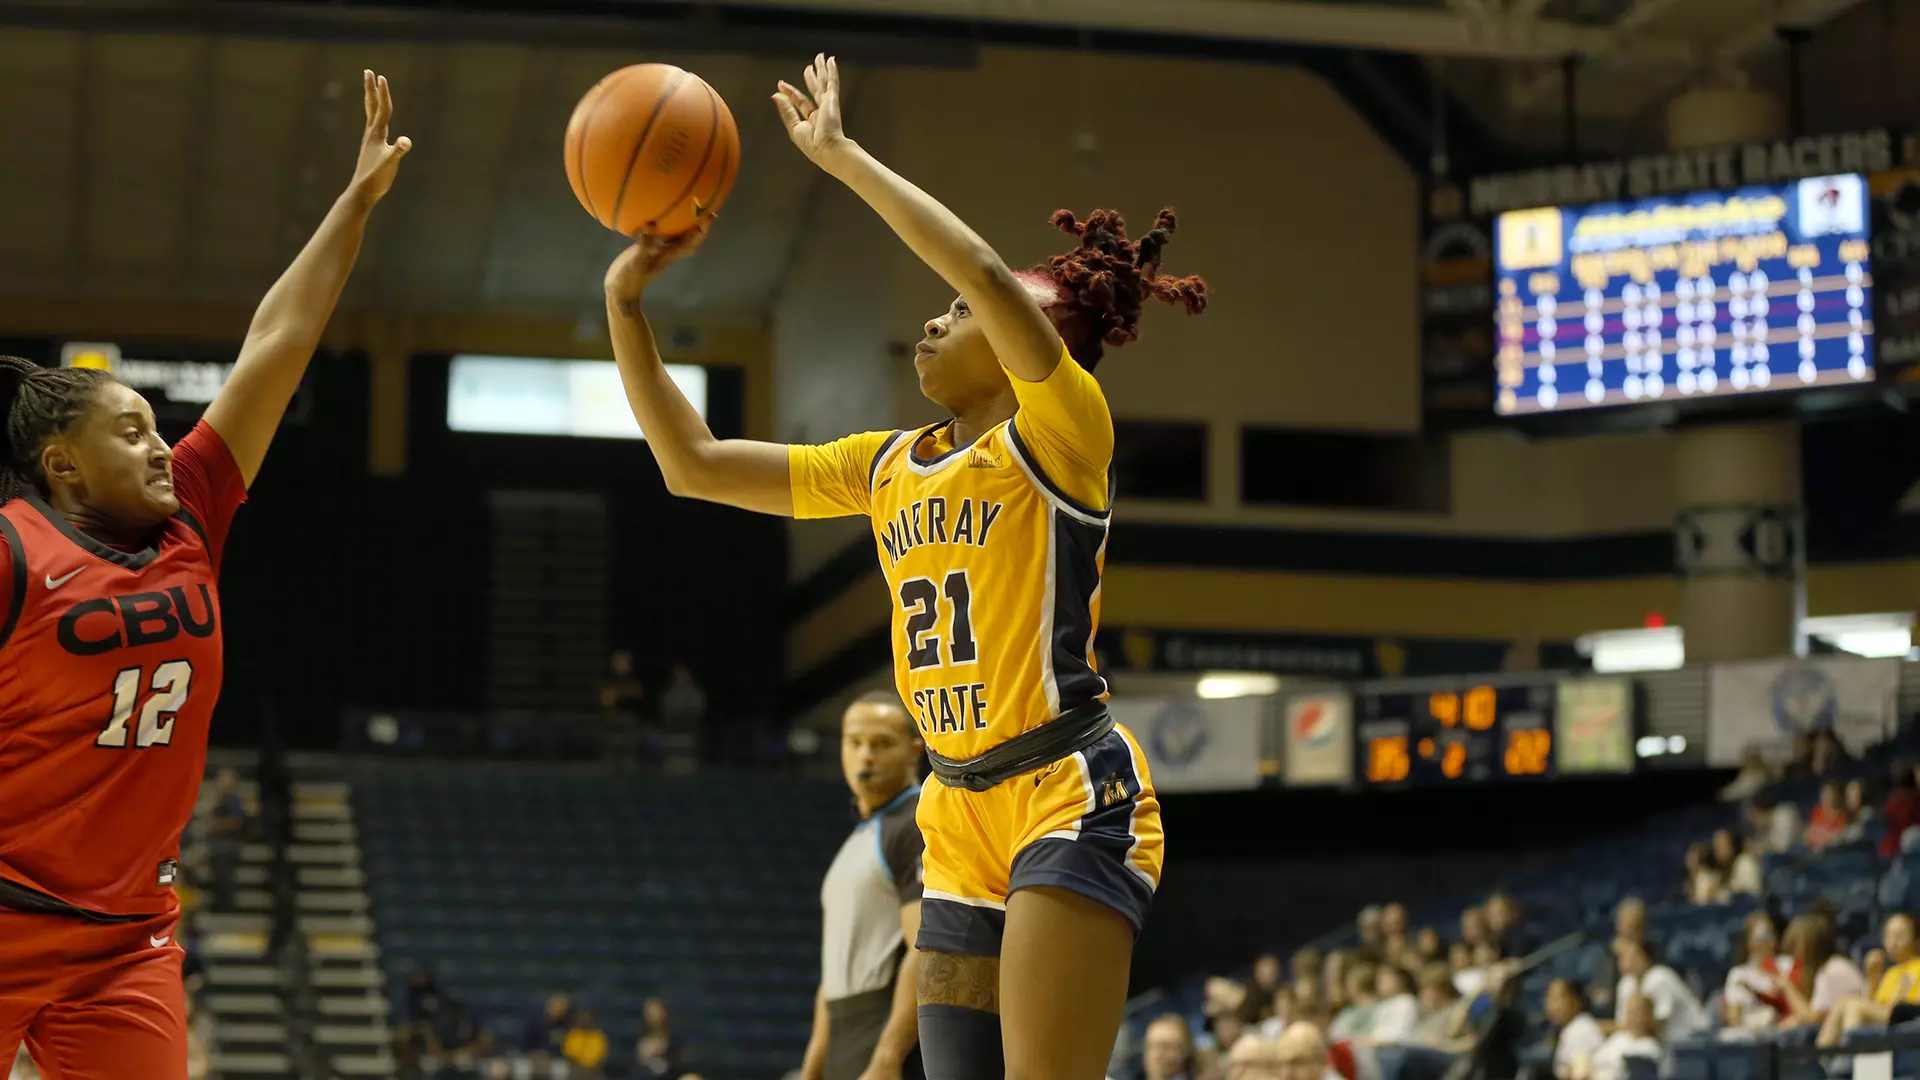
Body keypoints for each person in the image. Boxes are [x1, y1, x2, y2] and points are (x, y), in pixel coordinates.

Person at [604, 54, 1204, 1080]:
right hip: (957, 809)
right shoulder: (887, 465)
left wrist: (842, 160)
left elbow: (975, 267)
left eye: (959, 316)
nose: (933, 320)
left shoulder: (1063, 433)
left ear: (1030, 345)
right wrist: (626, 306)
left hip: (1066, 787)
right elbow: (691, 465)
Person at [0, 70, 409, 1078]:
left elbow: (277, 339)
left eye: (156, 429)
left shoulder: (194, 510)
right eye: (129, 431)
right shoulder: (13, 550)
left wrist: (352, 207)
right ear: (62, 466)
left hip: (125, 938)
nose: (158, 446)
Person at [801, 692, 927, 1080]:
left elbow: (926, 948)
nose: (865, 756)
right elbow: (833, 974)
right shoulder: (862, 835)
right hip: (846, 1037)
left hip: (887, 1034)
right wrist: (813, 1066)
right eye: (854, 743)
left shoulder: (917, 823)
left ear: (914, 749)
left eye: (881, 744)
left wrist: (889, 1055)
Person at [1819, 912, 1920, 1047]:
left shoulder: (1917, 967)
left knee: (1855, 1007)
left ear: (1915, 939)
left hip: (1907, 1016)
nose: (1893, 942)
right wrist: (1872, 977)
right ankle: (1821, 1054)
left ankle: (1849, 1058)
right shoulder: (1891, 972)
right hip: (1887, 1015)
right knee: (1843, 1003)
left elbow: (1904, 1004)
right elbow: (1874, 1004)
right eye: (1888, 936)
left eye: (1900, 936)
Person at [1615, 941, 1709, 1042]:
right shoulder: (1626, 984)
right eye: (1623, 957)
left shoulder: (1660, 977)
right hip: (1666, 1041)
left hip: (1694, 1035)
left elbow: (1658, 1023)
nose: (1626, 961)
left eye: (1633, 957)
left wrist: (1636, 1025)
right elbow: (1622, 1023)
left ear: (1646, 958)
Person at [1546, 979, 1605, 1080]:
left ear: (1576, 1001)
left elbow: (1581, 1075)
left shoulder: (1581, 1029)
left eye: (1559, 998)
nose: (1553, 1004)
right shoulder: (1569, 1028)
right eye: (1550, 997)